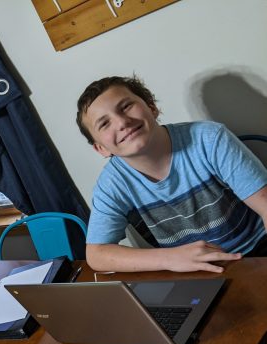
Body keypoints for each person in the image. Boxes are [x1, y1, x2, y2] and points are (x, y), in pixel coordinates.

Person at [76, 75, 267, 273]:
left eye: (126, 106)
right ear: (101, 149)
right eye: (104, 124)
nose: (122, 122)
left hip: (253, 253)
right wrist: (169, 258)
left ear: (151, 107)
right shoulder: (111, 183)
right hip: (191, 272)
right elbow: (96, 254)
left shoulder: (209, 139)